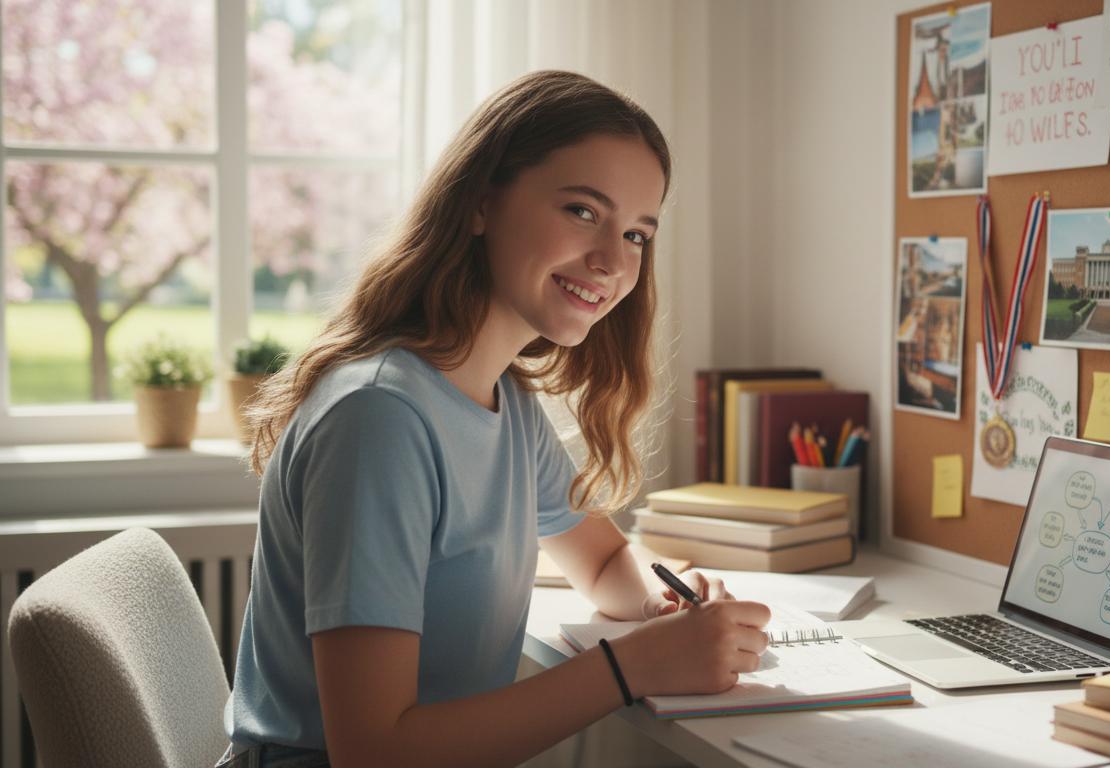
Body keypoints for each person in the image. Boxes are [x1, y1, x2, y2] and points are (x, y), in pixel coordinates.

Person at [218, 70, 771, 767]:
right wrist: (635, 667)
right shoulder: (378, 420)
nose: (611, 261)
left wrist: (675, 603)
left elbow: (602, 561)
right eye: (582, 211)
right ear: (481, 202)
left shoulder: (504, 403)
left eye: (636, 234)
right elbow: (374, 750)